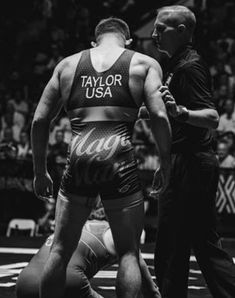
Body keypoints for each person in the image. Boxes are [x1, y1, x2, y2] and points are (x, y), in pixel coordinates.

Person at [31, 17, 171, 298]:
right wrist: (165, 164)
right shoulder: (143, 63)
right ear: (128, 40)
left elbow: (39, 120)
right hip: (118, 156)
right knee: (129, 252)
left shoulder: (68, 65)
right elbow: (158, 114)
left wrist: (39, 171)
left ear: (94, 42)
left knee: (60, 249)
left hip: (80, 154)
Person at [151, 5, 235, 298]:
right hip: (184, 161)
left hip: (191, 164)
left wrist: (180, 112)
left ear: (182, 31)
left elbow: (211, 117)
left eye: (161, 29)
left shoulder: (190, 65)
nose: (154, 34)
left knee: (178, 246)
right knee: (191, 244)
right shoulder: (175, 64)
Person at [16, 217, 161, 298]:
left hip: (24, 283)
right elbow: (150, 289)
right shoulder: (115, 232)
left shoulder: (71, 226)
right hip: (67, 279)